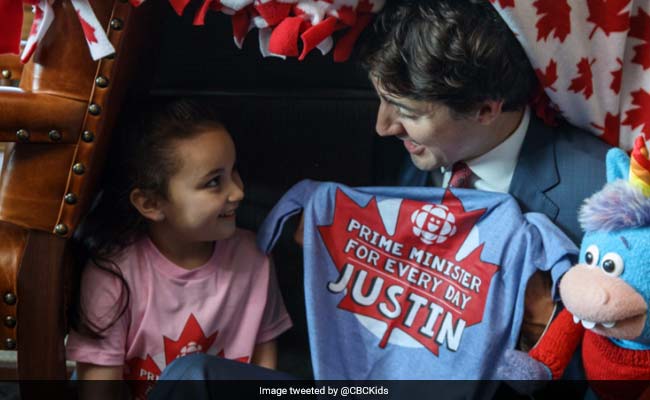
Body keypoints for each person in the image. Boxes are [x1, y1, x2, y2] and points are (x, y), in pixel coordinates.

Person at [359, 0, 610, 349]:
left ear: (485, 109)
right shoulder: (411, 154)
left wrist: (542, 330)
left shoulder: (600, 194)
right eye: (383, 100)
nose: (383, 126)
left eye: (407, 112)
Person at [66, 99, 292, 399]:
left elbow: (264, 378)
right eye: (214, 182)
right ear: (151, 203)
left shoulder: (254, 257)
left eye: (233, 171)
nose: (238, 192)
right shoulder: (112, 275)